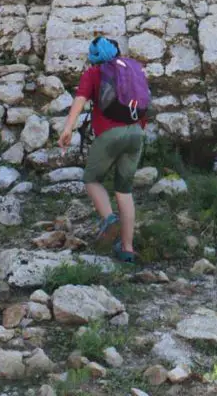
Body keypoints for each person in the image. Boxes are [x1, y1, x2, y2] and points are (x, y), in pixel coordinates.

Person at [58, 36, 147, 264]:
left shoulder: (94, 73)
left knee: (92, 179)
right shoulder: (131, 70)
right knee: (124, 190)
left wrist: (68, 129)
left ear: (93, 55)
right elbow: (143, 103)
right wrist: (138, 130)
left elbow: (79, 101)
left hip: (109, 134)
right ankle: (127, 249)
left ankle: (109, 220)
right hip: (136, 133)